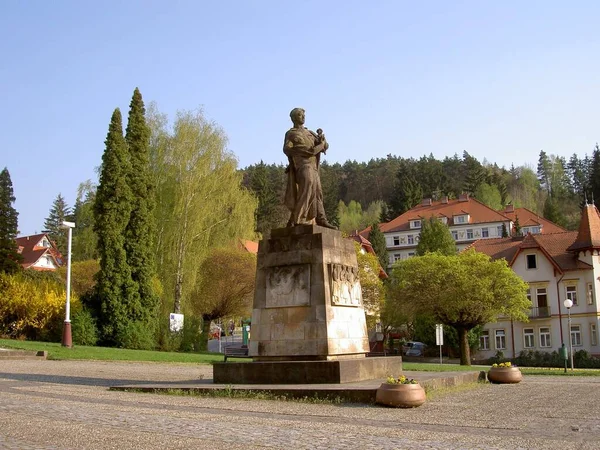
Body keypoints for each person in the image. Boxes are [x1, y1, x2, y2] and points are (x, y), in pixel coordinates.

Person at [283, 108, 336, 229]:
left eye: (303, 115)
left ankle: (321, 219)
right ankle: (299, 217)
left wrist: (323, 140)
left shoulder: (310, 133)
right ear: (294, 118)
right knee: (307, 187)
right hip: (302, 165)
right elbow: (286, 149)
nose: (303, 117)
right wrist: (298, 151)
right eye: (300, 115)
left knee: (318, 192)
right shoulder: (291, 133)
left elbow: (325, 146)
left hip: (313, 167)